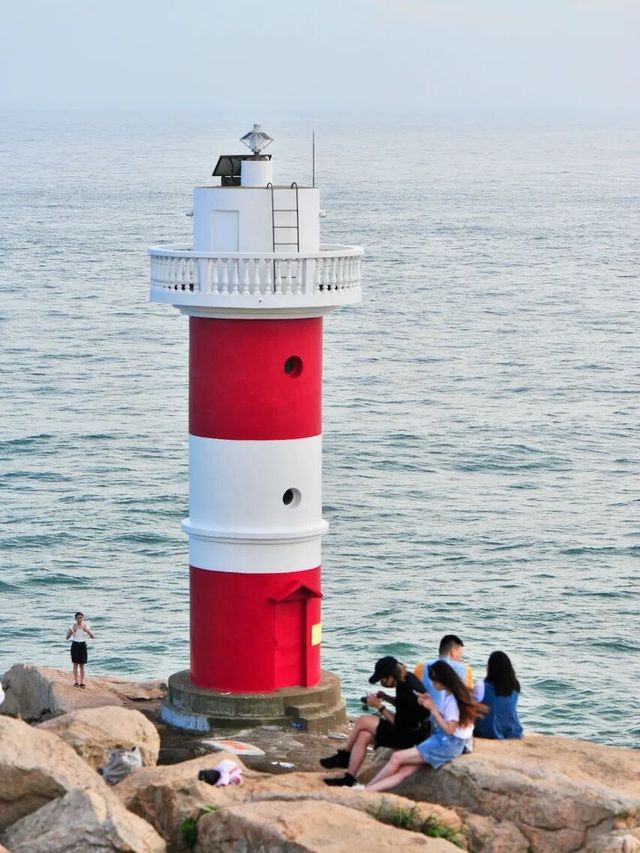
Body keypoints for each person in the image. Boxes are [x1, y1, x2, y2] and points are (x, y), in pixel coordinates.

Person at [364, 660, 487, 793]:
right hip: (449, 741)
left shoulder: (453, 700)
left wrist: (433, 709)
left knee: (396, 758)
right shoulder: (455, 693)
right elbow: (451, 720)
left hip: (447, 744)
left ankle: (365, 789)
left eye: (434, 682)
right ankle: (367, 790)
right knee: (404, 771)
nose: (432, 685)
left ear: (442, 681)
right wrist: (428, 704)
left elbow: (450, 730)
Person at [320, 656, 429, 787]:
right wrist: (386, 697)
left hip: (412, 737)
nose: (382, 683)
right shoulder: (408, 679)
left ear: (390, 676)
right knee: (363, 736)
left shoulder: (405, 689)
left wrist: (379, 706)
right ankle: (349, 778)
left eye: (382, 679)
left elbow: (400, 724)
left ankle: (344, 756)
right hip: (413, 730)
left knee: (362, 721)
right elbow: (404, 705)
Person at [473, 651, 523, 739]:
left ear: (490, 668)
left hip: (489, 733)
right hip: (513, 732)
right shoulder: (515, 685)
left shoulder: (481, 686)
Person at [65, 611, 96, 688]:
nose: (79, 619)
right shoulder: (73, 626)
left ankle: (82, 682)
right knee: (75, 664)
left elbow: (93, 636)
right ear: (75, 618)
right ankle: (76, 682)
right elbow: (67, 637)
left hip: (82, 645)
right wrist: (73, 631)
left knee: (82, 665)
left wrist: (86, 630)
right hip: (75, 644)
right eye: (78, 618)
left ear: (83, 618)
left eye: (81, 618)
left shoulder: (85, 625)